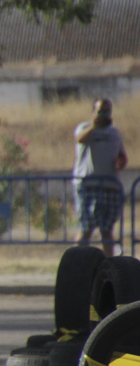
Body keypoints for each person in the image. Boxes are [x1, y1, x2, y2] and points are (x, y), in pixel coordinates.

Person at [73, 97, 128, 255]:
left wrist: (121, 161)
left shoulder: (114, 133)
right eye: (100, 111)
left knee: (107, 231)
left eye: (106, 112)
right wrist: (93, 127)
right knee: (86, 228)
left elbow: (122, 156)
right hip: (88, 185)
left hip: (109, 186)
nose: (103, 115)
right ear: (93, 112)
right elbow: (79, 139)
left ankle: (109, 266)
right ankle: (77, 264)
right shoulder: (84, 128)